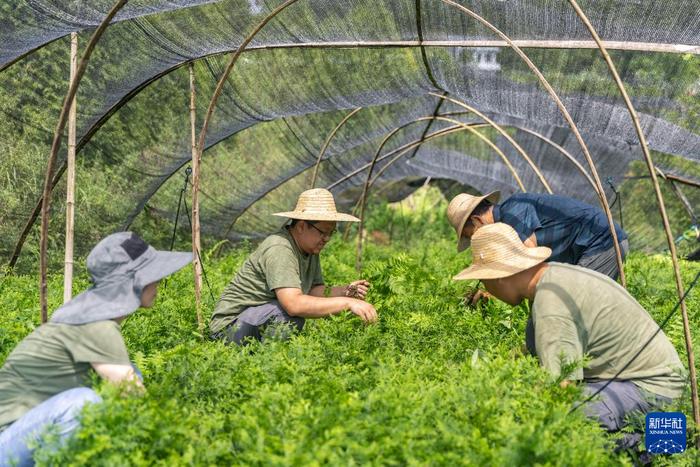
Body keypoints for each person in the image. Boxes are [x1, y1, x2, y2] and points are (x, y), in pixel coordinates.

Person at [453, 223, 686, 449]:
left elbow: (560, 390)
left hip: (653, 392)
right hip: (651, 382)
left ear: (499, 276)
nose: (486, 289)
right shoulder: (556, 277)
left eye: (484, 279)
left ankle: (656, 447)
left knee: (559, 417)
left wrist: (510, 407)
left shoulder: (550, 304)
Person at [0, 232, 192, 465]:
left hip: (26, 434)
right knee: (82, 404)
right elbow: (136, 401)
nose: (159, 282)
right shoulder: (97, 326)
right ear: (134, 282)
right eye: (153, 275)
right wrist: (182, 450)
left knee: (127, 375)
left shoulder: (95, 320)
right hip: (8, 444)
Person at [210, 188, 378, 345]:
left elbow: (312, 291)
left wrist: (344, 291)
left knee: (289, 313)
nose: (327, 239)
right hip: (228, 329)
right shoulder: (280, 248)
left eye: (330, 233)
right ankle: (265, 364)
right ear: (302, 226)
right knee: (289, 316)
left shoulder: (309, 248)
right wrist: (347, 303)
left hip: (253, 319)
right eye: (322, 232)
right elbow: (294, 304)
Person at [447, 192, 629, 280]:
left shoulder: (513, 210)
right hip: (591, 247)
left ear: (478, 220)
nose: (477, 239)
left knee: (578, 303)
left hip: (601, 242)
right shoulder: (508, 219)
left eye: (472, 234)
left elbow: (530, 261)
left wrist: (495, 287)